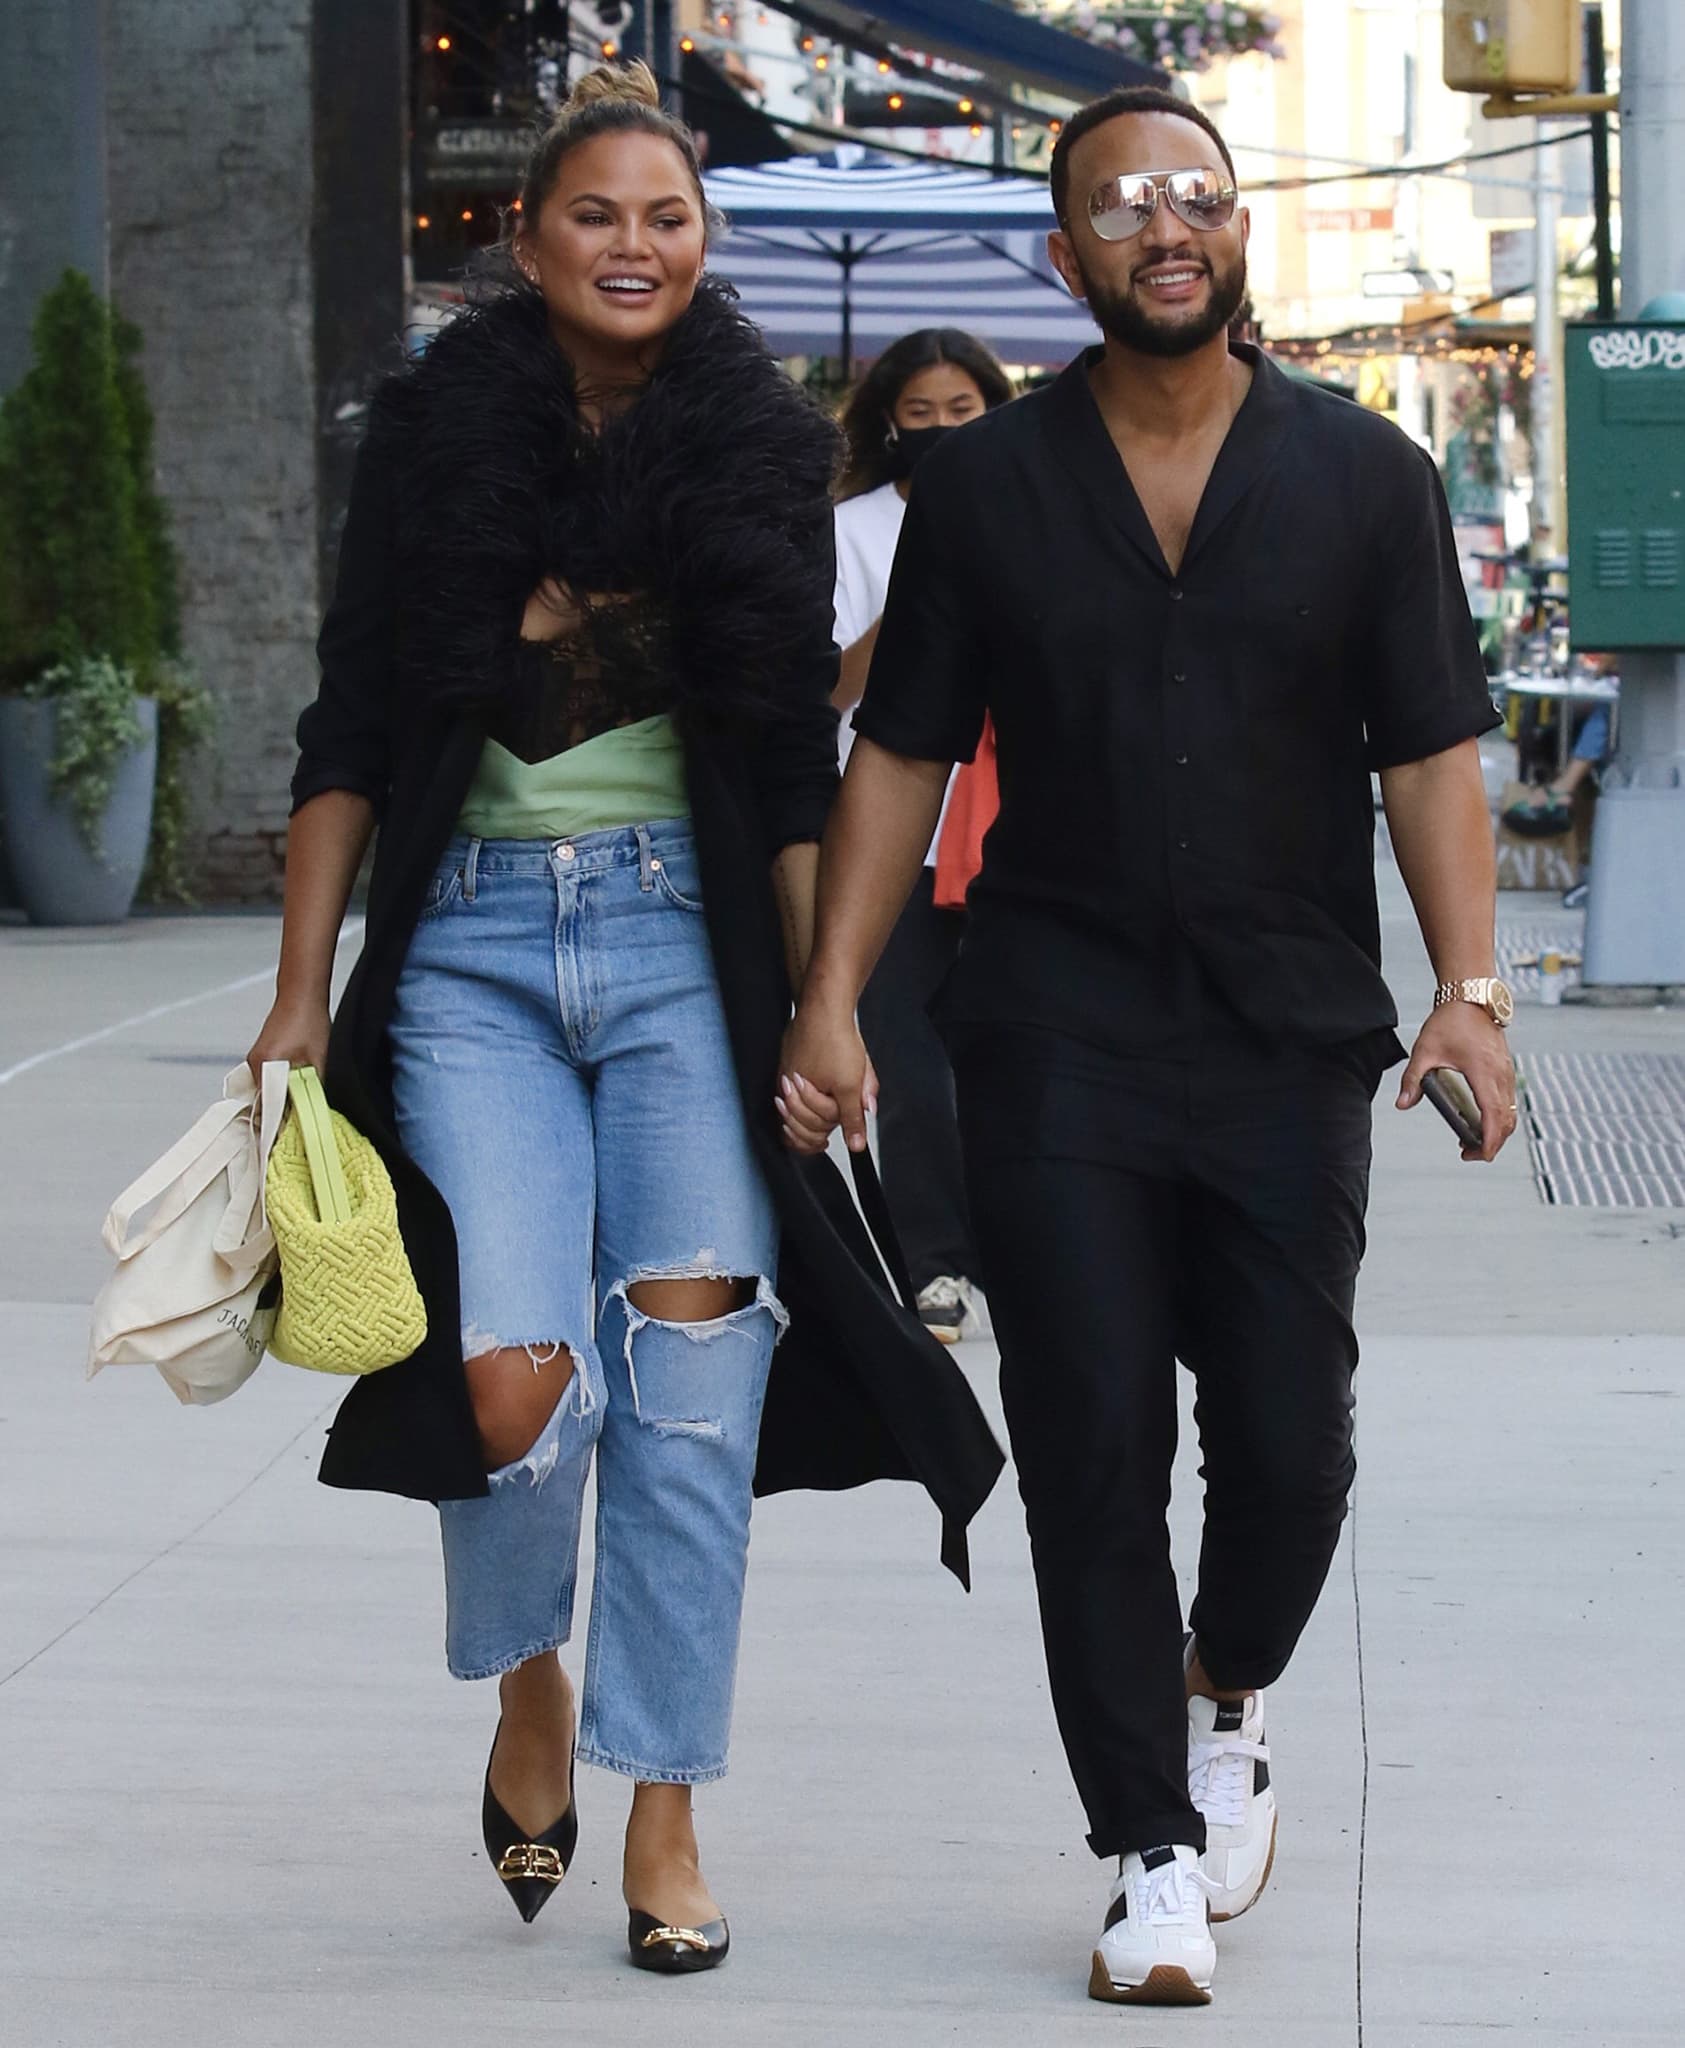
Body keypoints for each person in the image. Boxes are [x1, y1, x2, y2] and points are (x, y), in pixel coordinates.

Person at [248, 63, 1000, 1975]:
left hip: (683, 948)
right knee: (510, 1380)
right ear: (527, 236)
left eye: (668, 216)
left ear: (703, 240)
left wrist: (830, 1003)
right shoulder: (432, 447)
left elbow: (782, 761)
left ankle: (666, 1804)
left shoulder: (751, 451)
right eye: (598, 214)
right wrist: (292, 992)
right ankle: (531, 1680)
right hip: (472, 957)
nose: (635, 244)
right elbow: (356, 727)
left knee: (689, 1383)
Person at [777, 84, 1517, 2007]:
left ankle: (1224, 1688)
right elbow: (902, 753)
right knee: (1092, 1442)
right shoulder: (991, 487)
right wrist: (834, 997)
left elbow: (1431, 748)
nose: (1162, 227)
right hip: (1057, 1031)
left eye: (1195, 195)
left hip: (1283, 1034)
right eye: (1121, 205)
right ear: (1070, 253)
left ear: (1239, 229)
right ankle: (1146, 1851)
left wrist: (1473, 984)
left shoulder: (1363, 478)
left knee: (1292, 1447)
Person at [832, 329, 1014, 1343]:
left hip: (1013, 823)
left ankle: (1013, 1246)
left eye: (962, 414)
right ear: (887, 427)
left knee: (1007, 1053)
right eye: (920, 417)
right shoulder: (851, 531)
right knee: (905, 1058)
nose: (942, 433)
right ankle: (931, 1259)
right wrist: (922, 591)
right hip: (890, 831)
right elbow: (827, 687)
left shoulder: (1035, 512)